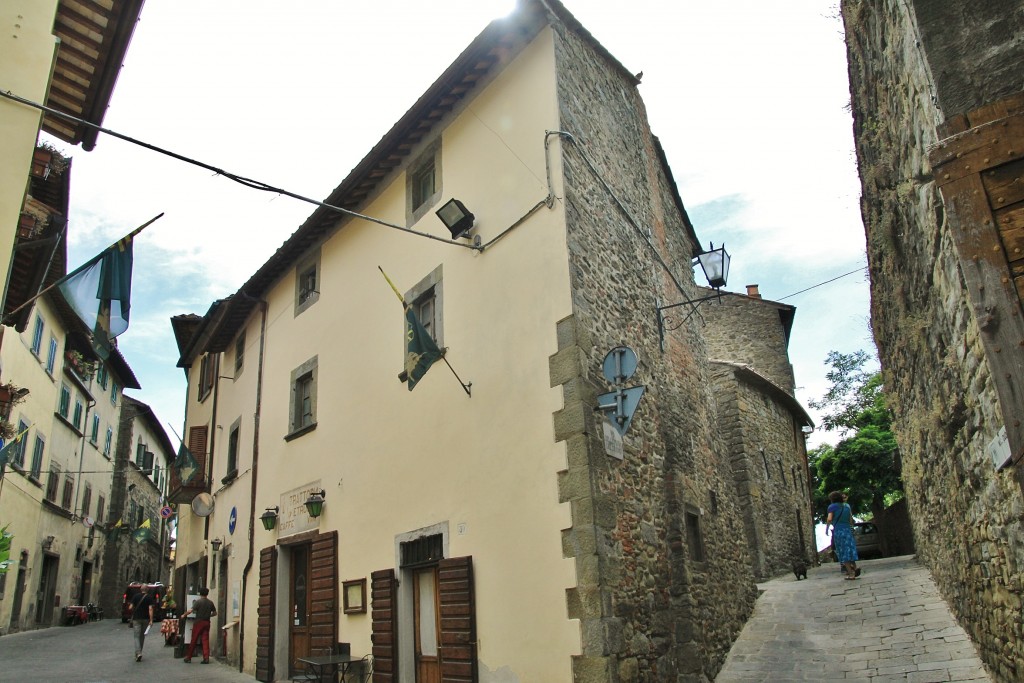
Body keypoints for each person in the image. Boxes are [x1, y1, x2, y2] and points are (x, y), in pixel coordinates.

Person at [826, 491, 861, 580]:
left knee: (843, 552)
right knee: (849, 549)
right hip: (848, 530)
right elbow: (850, 519)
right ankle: (855, 567)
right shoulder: (847, 506)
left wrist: (827, 528)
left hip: (839, 531)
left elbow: (829, 519)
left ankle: (851, 574)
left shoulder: (832, 507)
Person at [182, 587, 217, 664]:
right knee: (205, 640)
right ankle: (206, 658)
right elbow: (215, 613)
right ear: (207, 594)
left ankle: (188, 657)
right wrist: (209, 615)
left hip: (199, 622)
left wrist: (184, 615)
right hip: (207, 622)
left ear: (200, 593)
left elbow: (190, 610)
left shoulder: (198, 602)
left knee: (194, 639)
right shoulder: (210, 602)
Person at [129, 585, 156, 662]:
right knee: (142, 636)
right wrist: (151, 620)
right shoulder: (149, 597)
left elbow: (130, 607)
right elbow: (150, 609)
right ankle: (139, 652)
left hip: (136, 618)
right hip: (146, 619)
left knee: (136, 636)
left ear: (141, 589)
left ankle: (138, 653)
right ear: (147, 590)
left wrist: (132, 607)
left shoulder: (135, 596)